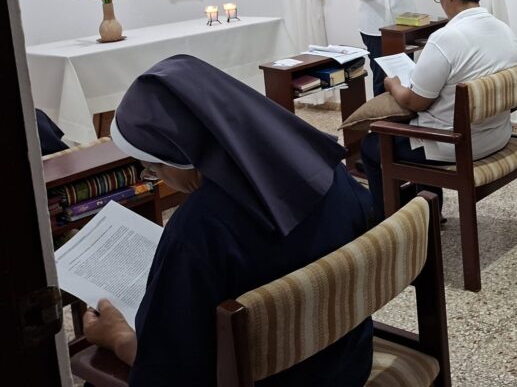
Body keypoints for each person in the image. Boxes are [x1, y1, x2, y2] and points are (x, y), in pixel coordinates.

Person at [82, 55, 374, 387]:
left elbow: (170, 373)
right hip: (348, 363)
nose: (155, 176)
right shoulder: (325, 163)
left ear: (183, 154)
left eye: (153, 168)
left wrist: (120, 338)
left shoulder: (199, 228)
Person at [360, 0, 517, 223]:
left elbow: (415, 102)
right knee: (416, 124)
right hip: (498, 134)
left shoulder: (445, 38)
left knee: (371, 145)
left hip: (456, 145)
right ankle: (428, 210)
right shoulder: (504, 30)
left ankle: (388, 223)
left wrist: (393, 85)